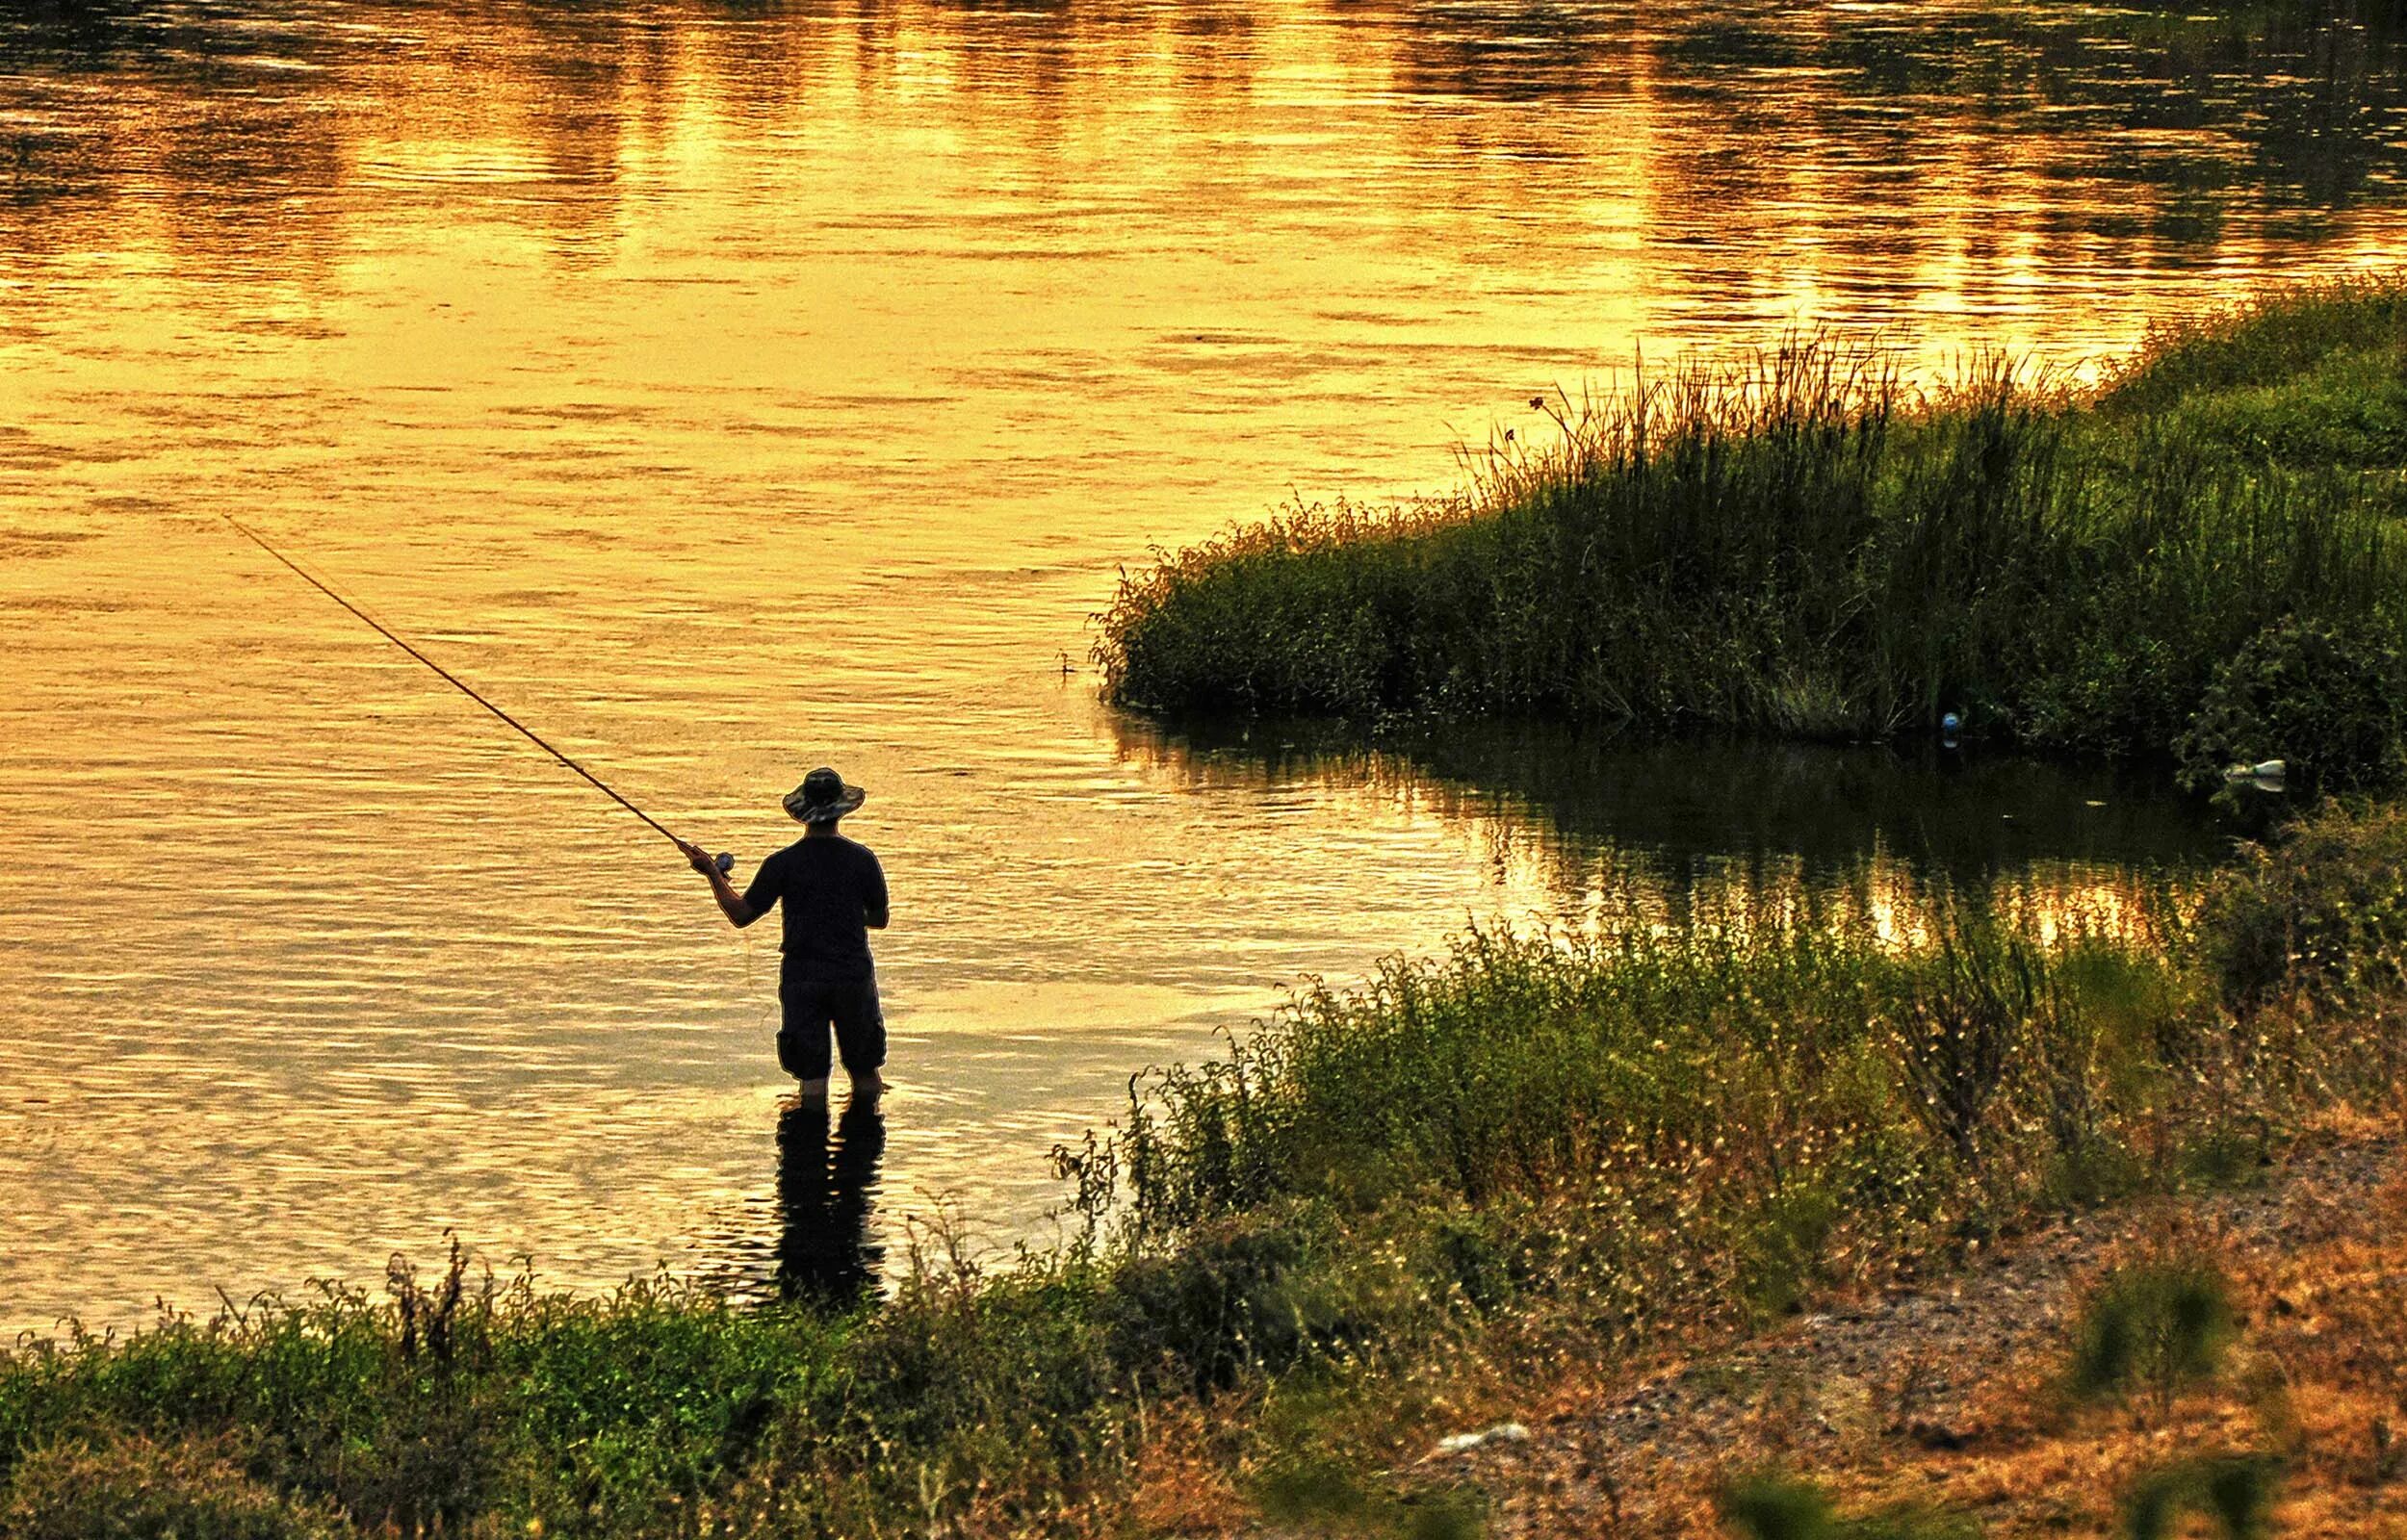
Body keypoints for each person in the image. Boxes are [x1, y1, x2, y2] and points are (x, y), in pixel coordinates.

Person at [681, 766, 889, 1102]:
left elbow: (741, 914)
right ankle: (863, 1142)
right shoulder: (863, 860)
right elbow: (879, 919)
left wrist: (711, 874)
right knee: (866, 1074)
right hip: (852, 975)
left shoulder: (782, 863)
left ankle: (808, 1144)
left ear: (803, 812)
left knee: (811, 1081)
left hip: (802, 978)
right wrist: (841, 912)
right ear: (841, 810)